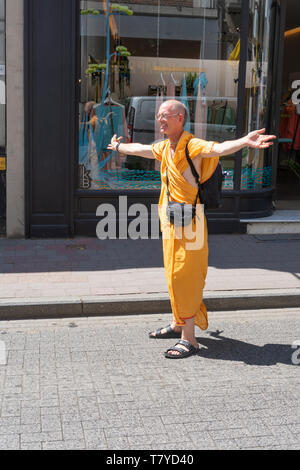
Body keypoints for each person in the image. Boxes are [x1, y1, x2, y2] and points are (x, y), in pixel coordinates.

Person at [108, 99, 276, 359]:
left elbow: (218, 148)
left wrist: (244, 141)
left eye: (165, 115)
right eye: (159, 116)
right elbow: (141, 149)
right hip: (173, 220)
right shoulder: (165, 147)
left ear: (180, 119)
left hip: (192, 223)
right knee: (172, 274)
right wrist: (119, 146)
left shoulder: (192, 145)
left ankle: (190, 339)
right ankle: (178, 323)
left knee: (185, 277)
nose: (160, 120)